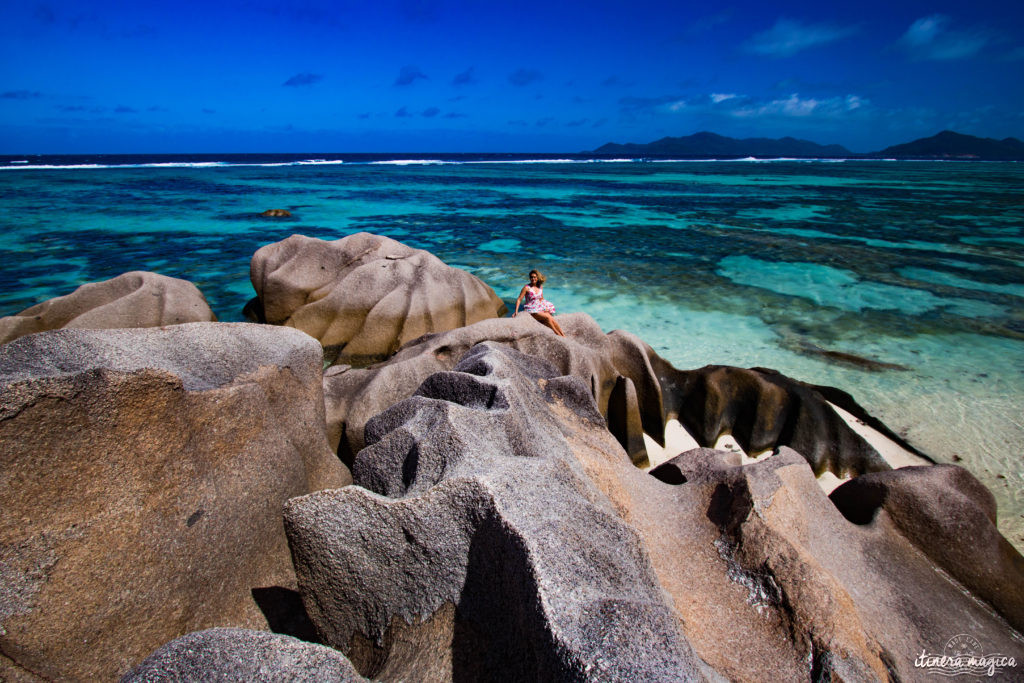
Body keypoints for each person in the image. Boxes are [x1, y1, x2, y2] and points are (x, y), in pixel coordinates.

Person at [513, 269, 565, 336]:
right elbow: (519, 299)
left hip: (539, 306)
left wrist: (546, 307)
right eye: (531, 277)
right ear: (529, 278)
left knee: (551, 318)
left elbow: (541, 298)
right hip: (531, 308)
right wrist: (516, 311)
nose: (533, 278)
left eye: (534, 277)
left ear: (537, 278)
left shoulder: (540, 287)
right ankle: (557, 334)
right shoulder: (526, 288)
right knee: (548, 318)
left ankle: (563, 335)